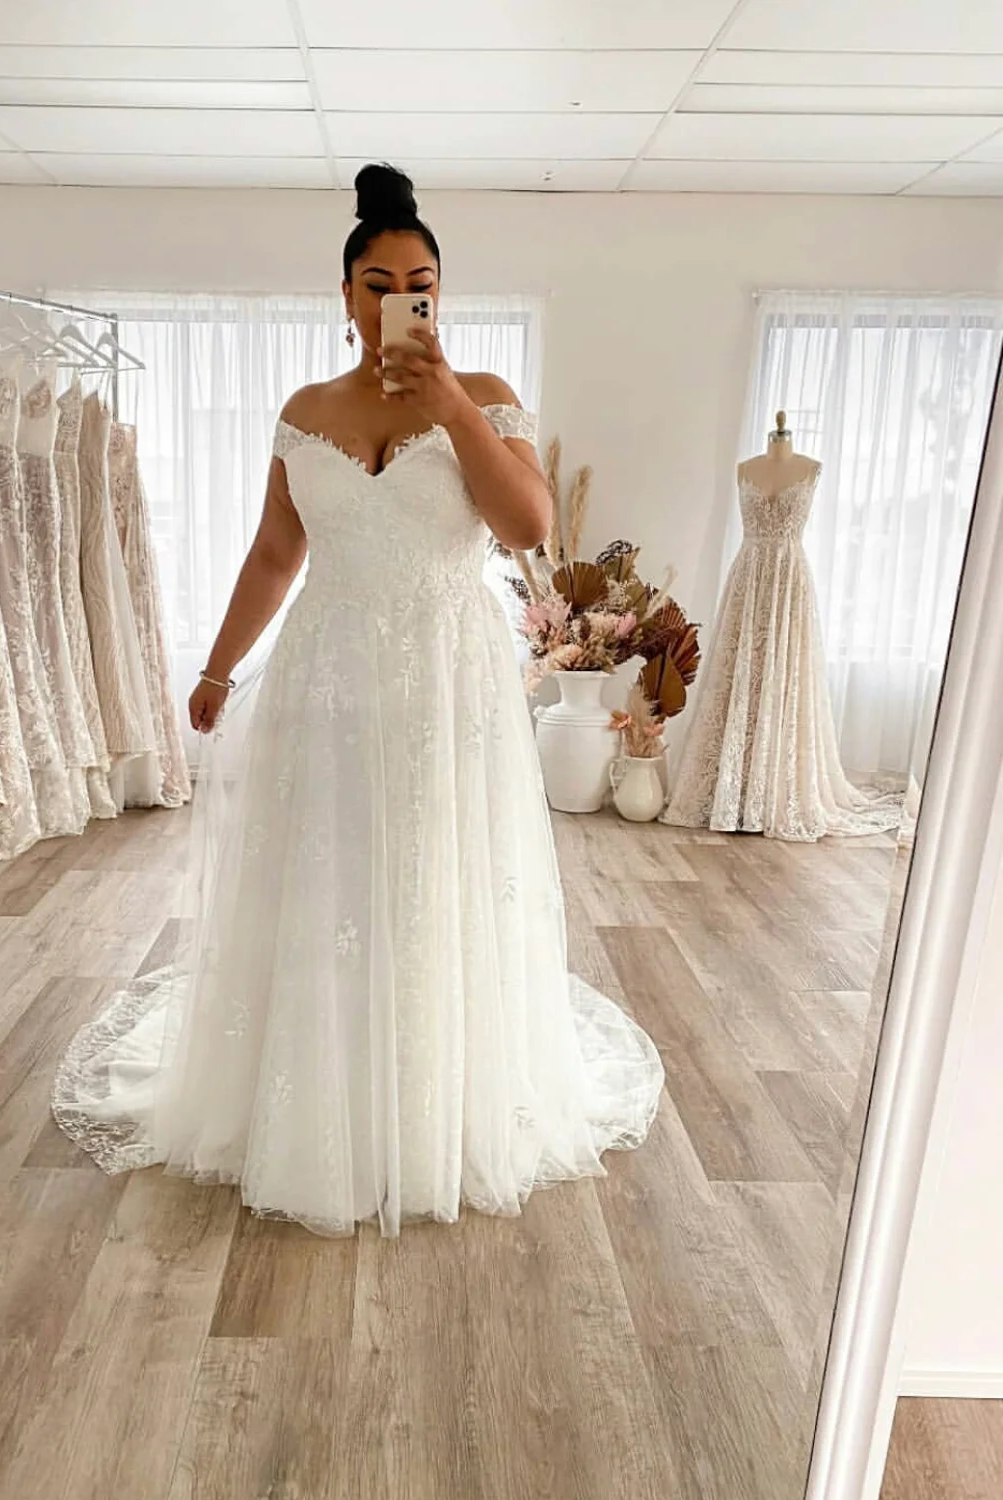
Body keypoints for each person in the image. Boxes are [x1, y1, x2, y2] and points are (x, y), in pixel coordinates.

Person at [52, 163, 665, 1238]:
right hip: (326, 672)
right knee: (327, 867)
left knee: (433, 867)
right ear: (345, 297)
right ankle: (314, 1094)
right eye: (378, 285)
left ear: (441, 296)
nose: (398, 303)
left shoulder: (485, 395)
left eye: (420, 286)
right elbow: (274, 552)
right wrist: (214, 669)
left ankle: (431, 1097)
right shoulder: (304, 413)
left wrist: (450, 408)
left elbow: (528, 527)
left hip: (446, 679)